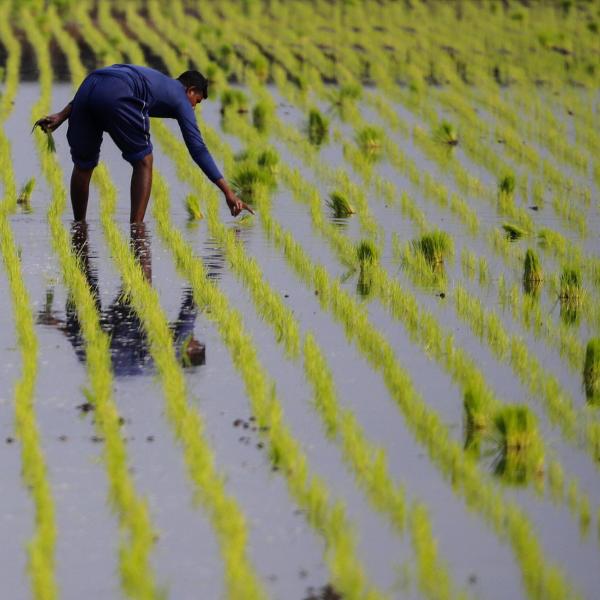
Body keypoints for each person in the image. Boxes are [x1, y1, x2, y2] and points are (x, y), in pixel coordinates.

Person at [34, 64, 253, 223]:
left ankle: (78, 226)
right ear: (191, 90)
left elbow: (101, 86)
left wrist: (63, 115)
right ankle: (136, 231)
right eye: (197, 101)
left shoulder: (155, 79)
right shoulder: (179, 96)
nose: (194, 107)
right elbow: (197, 148)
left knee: (83, 165)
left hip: (90, 84)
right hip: (118, 89)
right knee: (144, 161)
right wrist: (227, 192)